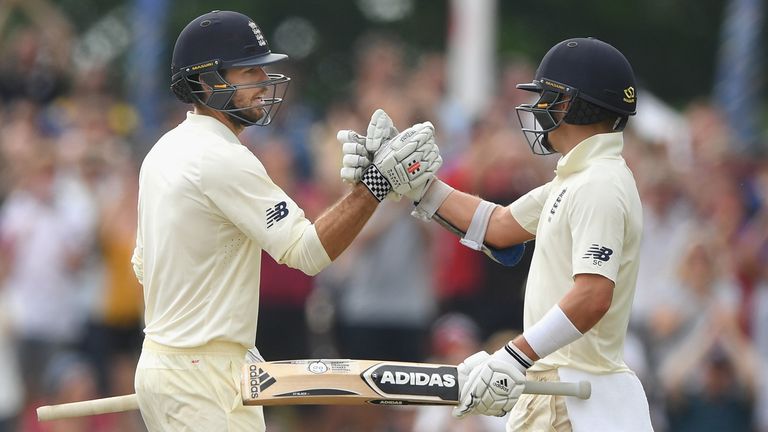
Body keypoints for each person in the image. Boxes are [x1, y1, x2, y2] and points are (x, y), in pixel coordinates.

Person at [131, 10, 441, 432]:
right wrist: (376, 184)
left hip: (169, 365)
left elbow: (143, 266)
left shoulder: (163, 151)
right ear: (208, 81)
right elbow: (307, 252)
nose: (263, 81)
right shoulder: (221, 157)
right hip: (203, 377)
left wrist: (225, 341)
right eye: (249, 70)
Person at [341, 37, 652, 431]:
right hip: (558, 388)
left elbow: (593, 295)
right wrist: (416, 183)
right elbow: (499, 227)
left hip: (574, 398)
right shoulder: (578, 178)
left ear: (573, 104)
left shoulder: (600, 184)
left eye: (548, 98)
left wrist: (513, 356)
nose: (539, 110)